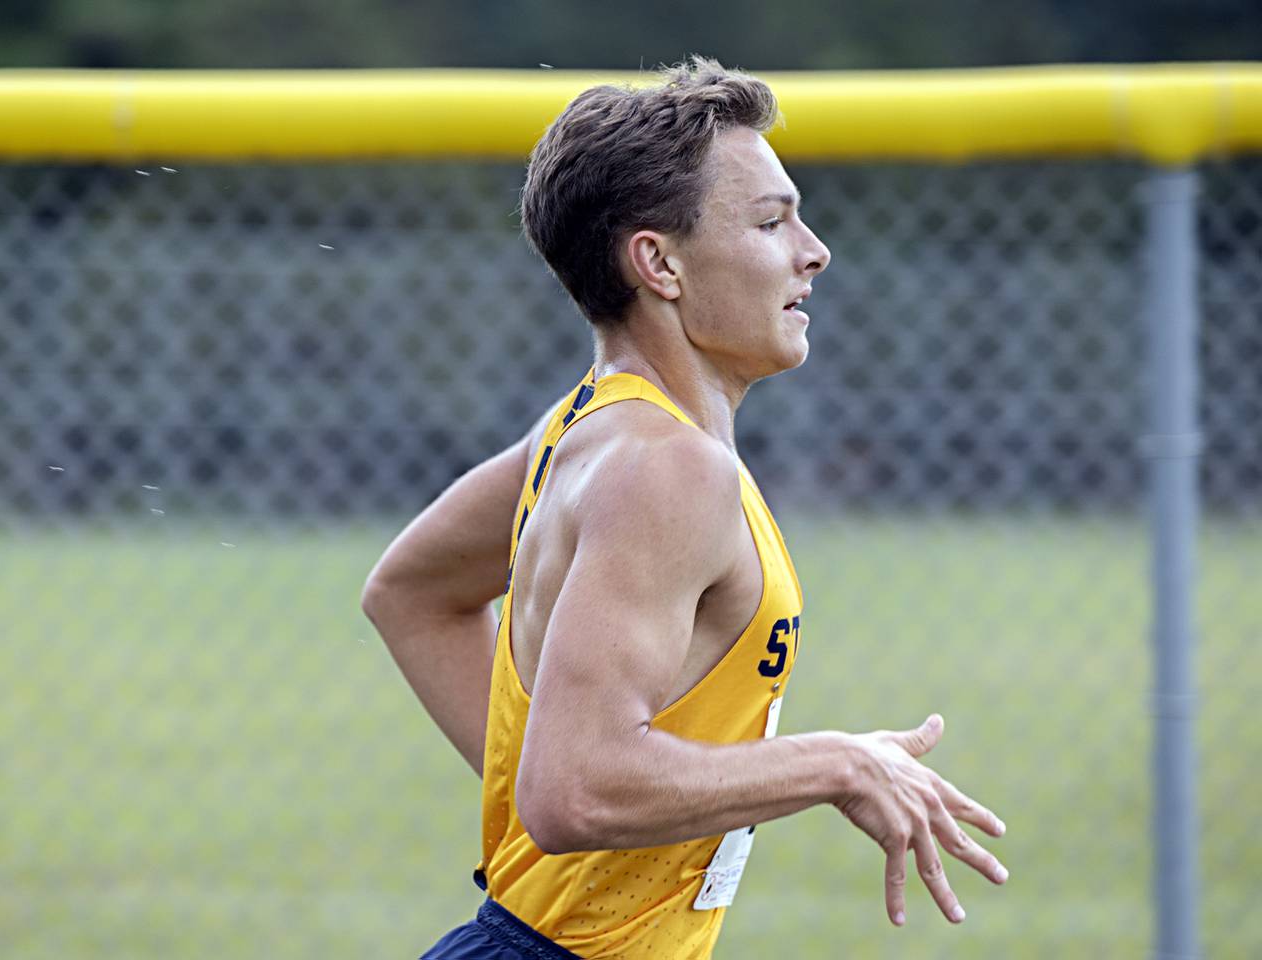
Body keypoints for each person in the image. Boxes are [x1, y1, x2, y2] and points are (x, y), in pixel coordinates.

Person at [361, 56, 1008, 959]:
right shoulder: (665, 471)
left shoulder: (587, 428)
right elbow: (573, 792)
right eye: (771, 221)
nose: (812, 250)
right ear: (659, 263)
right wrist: (835, 763)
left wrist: (566, 797)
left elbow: (411, 593)